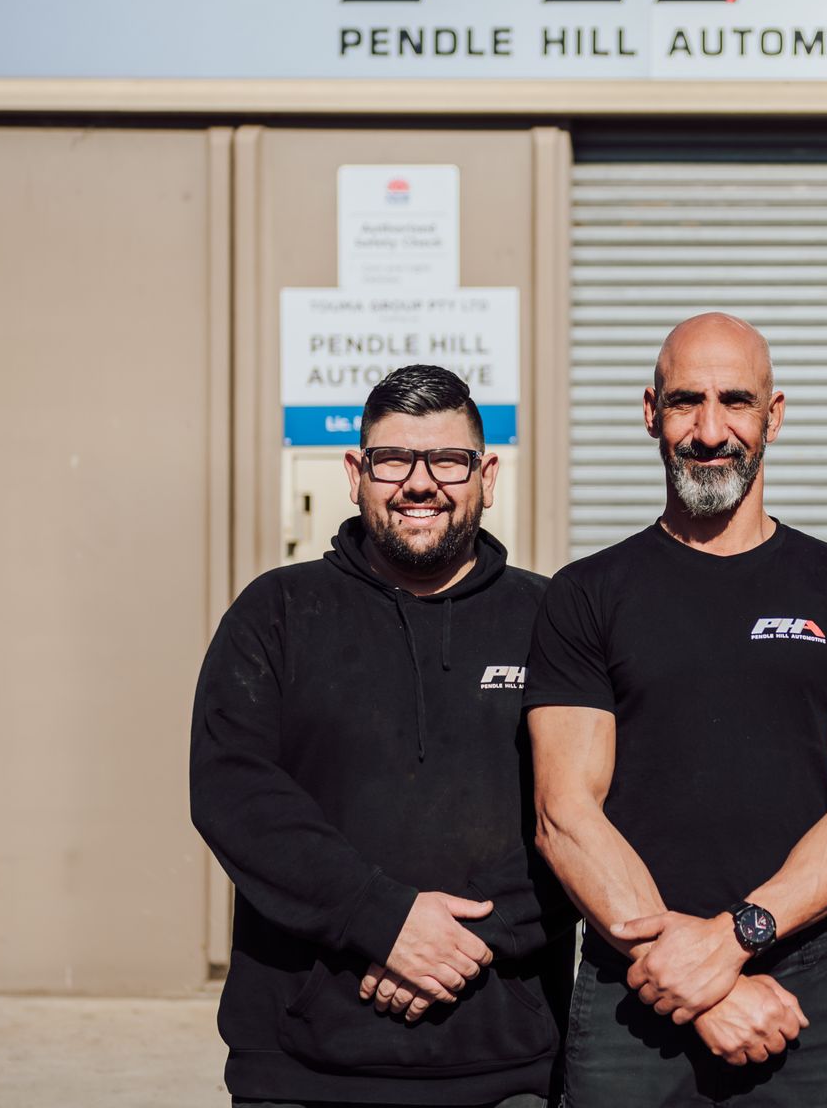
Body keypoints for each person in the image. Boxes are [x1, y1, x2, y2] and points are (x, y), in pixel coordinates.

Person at [525, 312, 827, 1107]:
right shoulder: (585, 596)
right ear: (650, 412)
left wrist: (735, 939)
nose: (709, 431)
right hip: (632, 986)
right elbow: (565, 815)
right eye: (684, 402)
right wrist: (696, 977)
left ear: (774, 415)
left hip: (805, 986)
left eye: (735, 401)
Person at [191, 365, 572, 1108]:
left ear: (488, 476)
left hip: (505, 1065)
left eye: (448, 460)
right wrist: (382, 918)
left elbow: (592, 810)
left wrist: (464, 939)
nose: (419, 483)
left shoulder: (552, 622)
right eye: (393, 459)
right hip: (299, 1067)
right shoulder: (276, 613)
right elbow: (234, 794)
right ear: (355, 474)